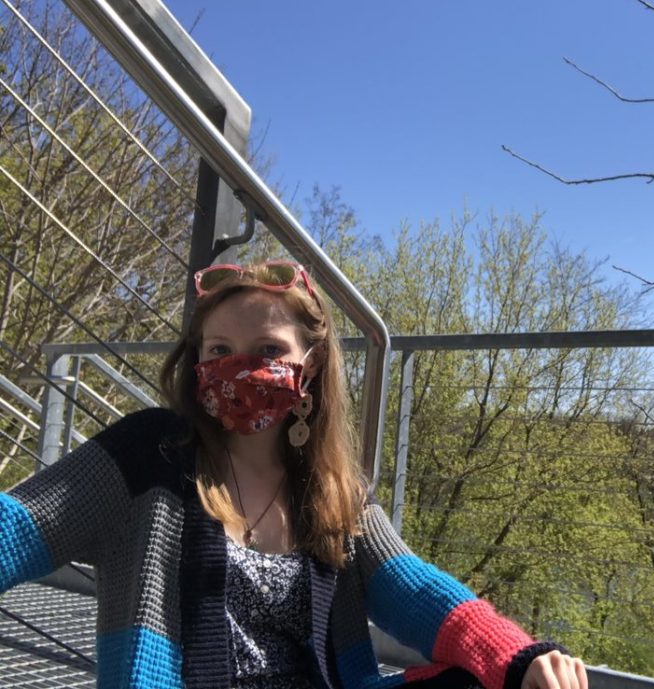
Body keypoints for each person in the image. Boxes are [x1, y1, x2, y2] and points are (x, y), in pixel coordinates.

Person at [0, 260, 588, 689]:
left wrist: (518, 656)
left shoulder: (334, 493)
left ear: (309, 367)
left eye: (265, 350)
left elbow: (416, 589)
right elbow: (19, 529)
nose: (237, 367)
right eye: (218, 349)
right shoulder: (147, 454)